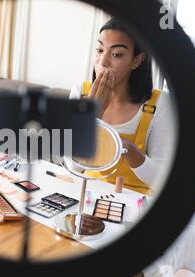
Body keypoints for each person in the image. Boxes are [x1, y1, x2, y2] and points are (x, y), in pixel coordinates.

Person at [70, 17, 174, 194]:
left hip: (134, 199)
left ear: (137, 60)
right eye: (100, 50)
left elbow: (162, 180)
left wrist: (130, 151)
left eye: (116, 54)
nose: (103, 62)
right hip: (88, 192)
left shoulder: (159, 104)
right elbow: (73, 167)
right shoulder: (80, 92)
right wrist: (93, 116)